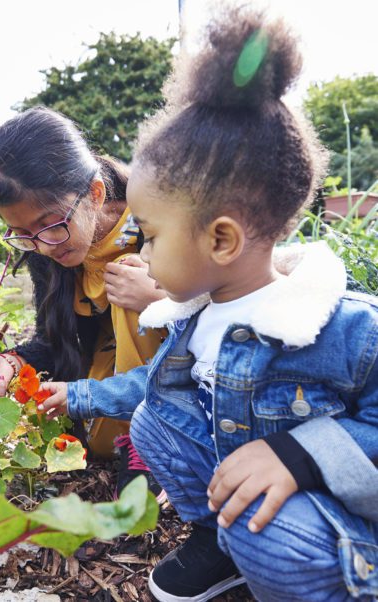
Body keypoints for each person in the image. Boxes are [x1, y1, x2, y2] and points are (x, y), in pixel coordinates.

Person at [36, 5, 378, 601]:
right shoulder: (200, 314)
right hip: (255, 490)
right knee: (156, 420)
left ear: (221, 239)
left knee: (262, 528)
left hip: (336, 530)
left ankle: (304, 578)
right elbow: (149, 387)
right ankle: (221, 544)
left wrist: (301, 454)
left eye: (151, 234)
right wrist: (76, 395)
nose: (141, 249)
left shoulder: (345, 330)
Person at [0, 106, 167, 500]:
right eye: (21, 234)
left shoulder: (159, 216)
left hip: (180, 372)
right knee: (100, 442)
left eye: (49, 224)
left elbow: (230, 302)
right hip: (116, 368)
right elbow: (55, 341)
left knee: (128, 272)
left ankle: (150, 439)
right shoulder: (45, 246)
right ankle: (129, 434)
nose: (40, 246)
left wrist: (162, 298)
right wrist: (10, 361)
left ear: (95, 193)